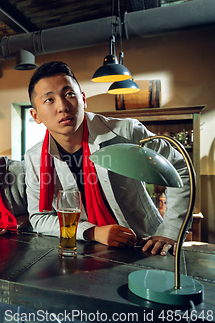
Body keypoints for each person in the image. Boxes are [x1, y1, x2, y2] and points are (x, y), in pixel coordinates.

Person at [24, 61, 190, 256]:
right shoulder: (34, 158)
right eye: (49, 100)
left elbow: (180, 166)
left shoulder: (126, 131)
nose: (62, 106)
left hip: (147, 245)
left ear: (83, 99)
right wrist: (93, 232)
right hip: (90, 252)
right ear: (35, 115)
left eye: (69, 94)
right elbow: (39, 218)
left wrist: (171, 231)